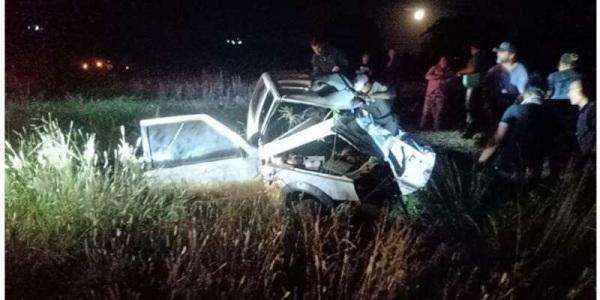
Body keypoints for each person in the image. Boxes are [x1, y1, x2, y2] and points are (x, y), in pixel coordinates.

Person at [478, 74, 556, 183]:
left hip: (513, 167)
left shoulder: (514, 110)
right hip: (540, 168)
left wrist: (481, 161)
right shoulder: (552, 113)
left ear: (524, 91)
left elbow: (497, 139)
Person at [482, 42, 529, 132]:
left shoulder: (520, 69)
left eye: (502, 52)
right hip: (495, 112)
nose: (498, 54)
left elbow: (523, 92)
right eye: (498, 52)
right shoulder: (493, 71)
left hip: (512, 110)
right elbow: (486, 92)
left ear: (511, 55)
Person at [456, 43, 490, 138]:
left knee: (471, 107)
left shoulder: (477, 56)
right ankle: (476, 130)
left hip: (474, 85)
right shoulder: (484, 57)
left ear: (472, 48)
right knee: (476, 108)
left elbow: (472, 68)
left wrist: (460, 72)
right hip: (480, 86)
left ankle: (470, 131)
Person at [420, 56, 455, 130]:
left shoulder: (449, 70)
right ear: (439, 61)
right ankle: (421, 127)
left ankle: (436, 127)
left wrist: (445, 79)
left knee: (439, 111)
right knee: (426, 111)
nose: (444, 61)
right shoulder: (434, 68)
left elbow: (451, 79)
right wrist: (438, 76)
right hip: (430, 93)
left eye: (445, 60)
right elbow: (427, 76)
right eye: (442, 60)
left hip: (441, 94)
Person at [568, 79, 595, 159]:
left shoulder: (593, 111)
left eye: (571, 90)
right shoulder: (585, 110)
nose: (568, 94)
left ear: (581, 90)